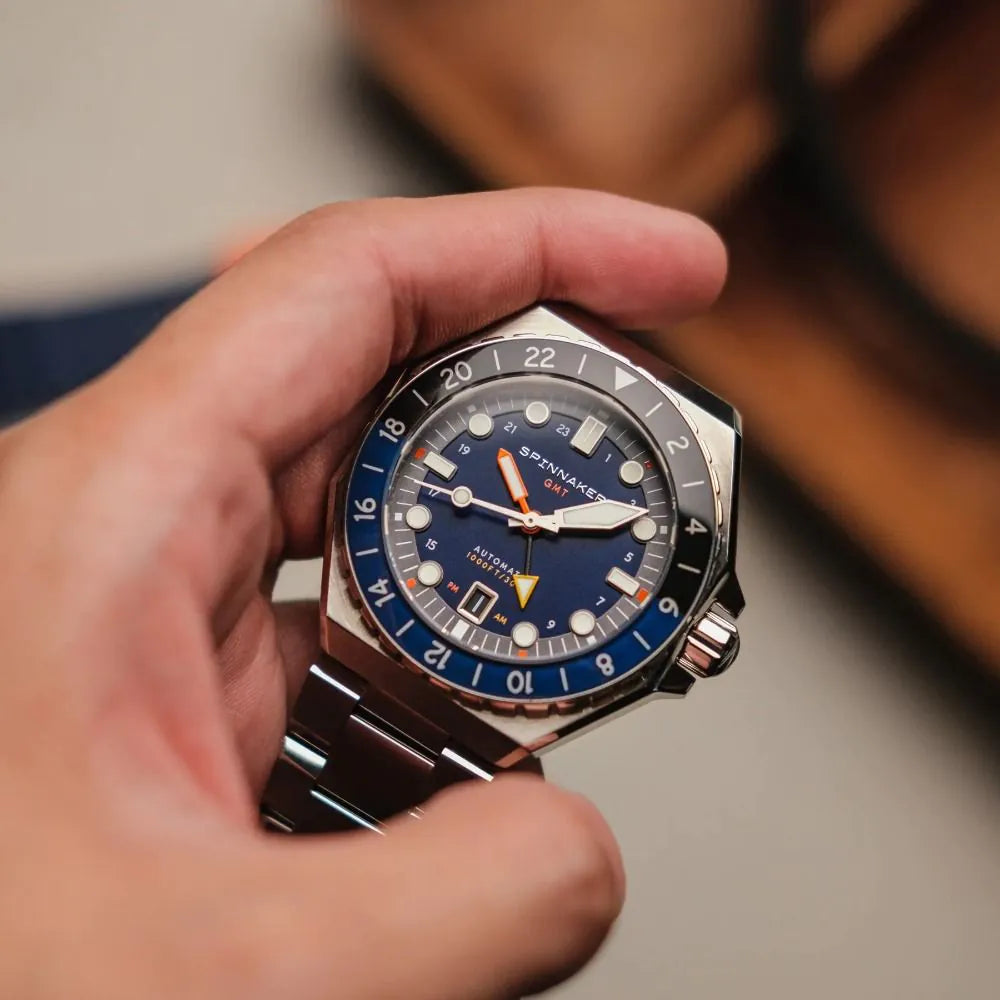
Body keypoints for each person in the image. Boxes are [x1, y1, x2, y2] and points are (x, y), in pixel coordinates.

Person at [0, 188, 725, 999]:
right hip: (350, 658)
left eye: (540, 521)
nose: (533, 524)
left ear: (693, 641)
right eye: (527, 514)